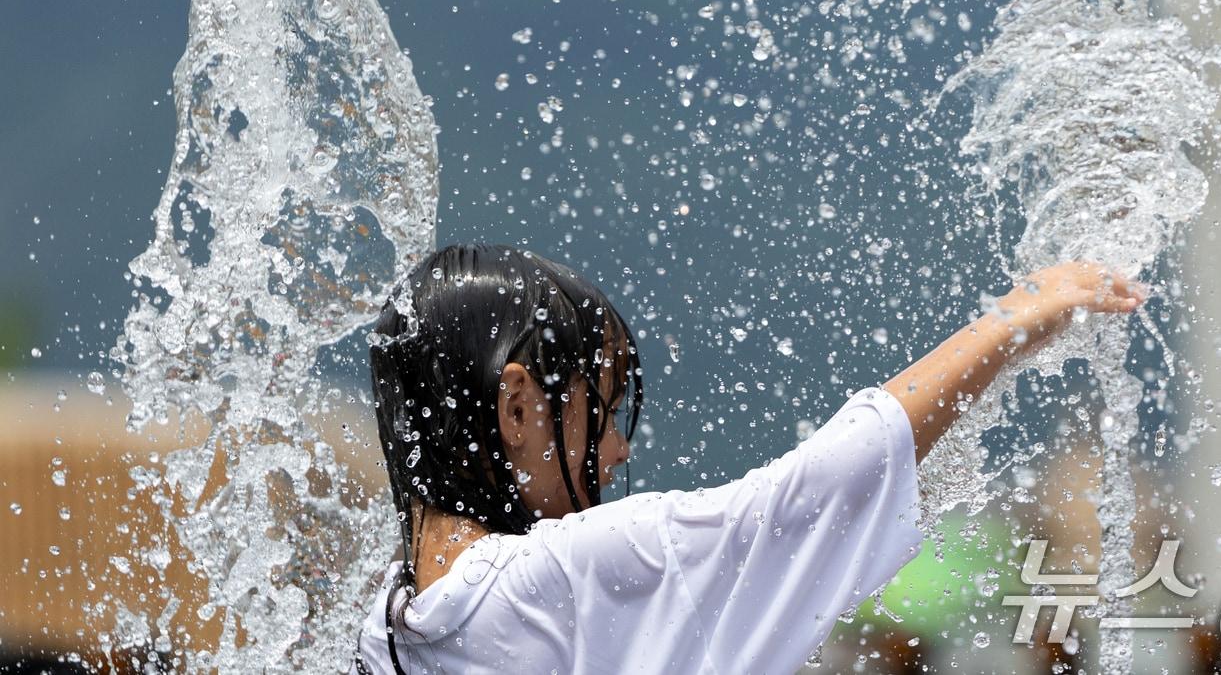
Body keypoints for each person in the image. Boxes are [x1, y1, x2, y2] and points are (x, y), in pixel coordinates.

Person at [354, 243, 1144, 673]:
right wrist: (1021, 315)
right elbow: (817, 486)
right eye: (600, 410)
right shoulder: (562, 577)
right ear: (519, 406)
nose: (619, 449)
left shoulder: (389, 625)